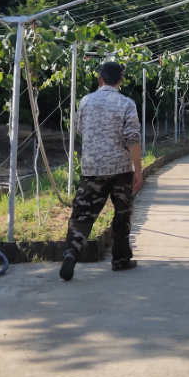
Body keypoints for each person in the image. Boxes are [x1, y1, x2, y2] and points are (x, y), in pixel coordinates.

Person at [60, 61, 143, 281]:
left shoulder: (86, 101)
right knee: (122, 214)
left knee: (83, 213)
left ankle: (72, 251)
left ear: (99, 79)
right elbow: (132, 138)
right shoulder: (127, 104)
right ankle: (120, 260)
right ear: (121, 81)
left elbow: (78, 128)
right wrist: (138, 170)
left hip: (92, 168)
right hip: (120, 169)